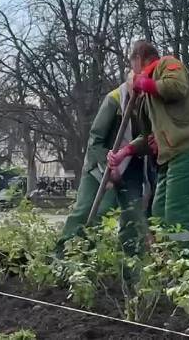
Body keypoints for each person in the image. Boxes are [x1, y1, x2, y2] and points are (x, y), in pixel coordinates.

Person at [108, 41, 189, 246]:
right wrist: (125, 152)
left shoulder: (167, 64)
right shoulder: (148, 99)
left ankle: (185, 269)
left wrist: (142, 83)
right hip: (172, 157)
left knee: (178, 213)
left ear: (138, 59)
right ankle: (168, 261)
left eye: (133, 67)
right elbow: (149, 137)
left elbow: (176, 87)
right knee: (158, 213)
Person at [57, 81, 147, 256]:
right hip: (98, 167)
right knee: (89, 212)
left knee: (133, 219)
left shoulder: (149, 106)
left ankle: (131, 271)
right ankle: (65, 258)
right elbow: (95, 141)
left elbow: (147, 138)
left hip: (132, 168)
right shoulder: (113, 100)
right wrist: (108, 165)